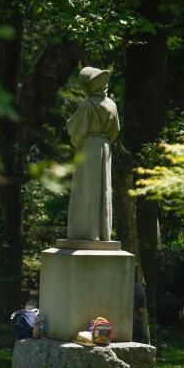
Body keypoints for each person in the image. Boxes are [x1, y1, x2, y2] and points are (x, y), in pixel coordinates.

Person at [67, 67, 120, 241]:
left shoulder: (87, 105)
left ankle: (85, 232)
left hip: (88, 147)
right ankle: (102, 232)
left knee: (86, 189)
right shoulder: (112, 105)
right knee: (103, 188)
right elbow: (115, 131)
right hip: (105, 147)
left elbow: (75, 129)